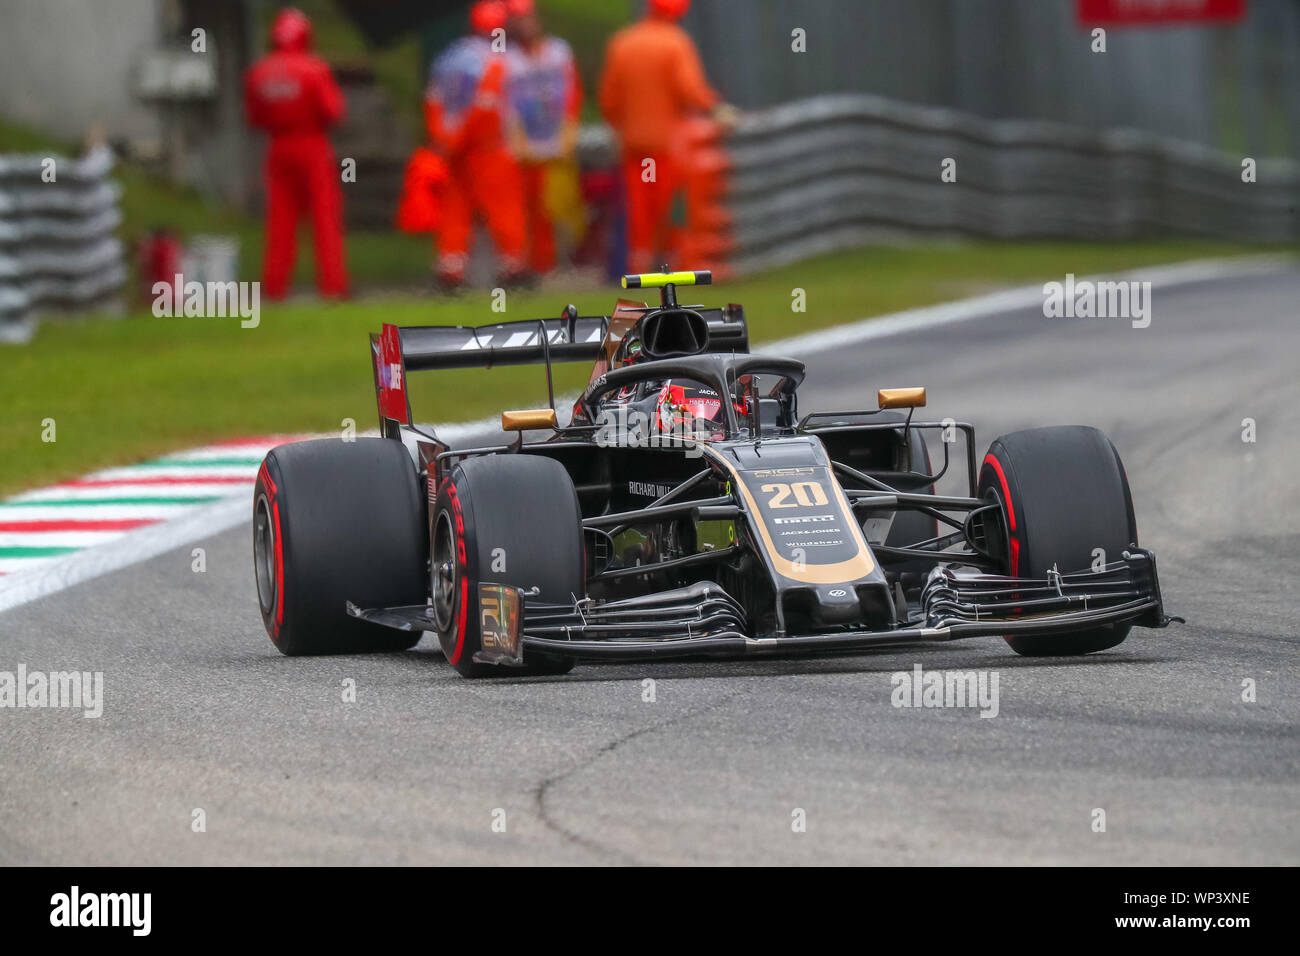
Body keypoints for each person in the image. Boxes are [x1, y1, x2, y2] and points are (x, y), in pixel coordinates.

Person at [598, 0, 733, 274]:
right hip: (667, 148)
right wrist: (715, 107)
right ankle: (670, 268)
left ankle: (639, 268)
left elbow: (609, 99)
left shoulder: (622, 42)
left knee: (639, 214)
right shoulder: (675, 43)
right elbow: (689, 90)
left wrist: (622, 127)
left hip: (634, 147)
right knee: (669, 211)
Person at [243, 7, 348, 299]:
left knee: (279, 220)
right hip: (312, 146)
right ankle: (333, 286)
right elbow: (334, 111)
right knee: (325, 219)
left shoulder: (260, 71)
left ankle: (275, 287)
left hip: (278, 148)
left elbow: (254, 117)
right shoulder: (314, 68)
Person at [425, 0, 528, 290]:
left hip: (453, 147)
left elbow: (433, 100)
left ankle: (450, 269)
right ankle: (513, 267)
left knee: (455, 209)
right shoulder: (500, 60)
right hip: (489, 146)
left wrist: (444, 140)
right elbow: (487, 107)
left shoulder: (449, 56)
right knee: (503, 208)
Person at [504, 0, 582, 276]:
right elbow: (505, 105)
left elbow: (572, 93)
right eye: (517, 19)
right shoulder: (506, 58)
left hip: (555, 142)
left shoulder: (558, 51)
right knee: (525, 210)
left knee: (560, 206)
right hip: (523, 147)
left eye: (527, 18)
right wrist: (515, 140)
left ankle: (560, 264)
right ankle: (531, 266)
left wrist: (569, 131)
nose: (524, 24)